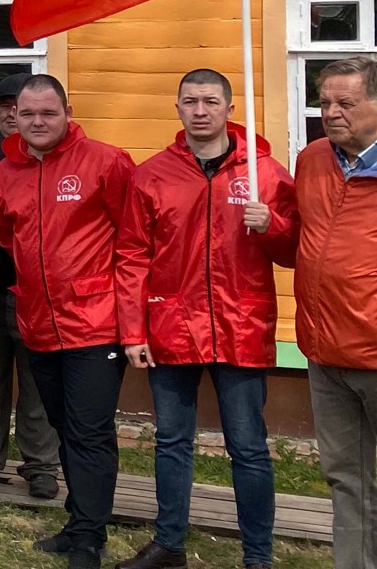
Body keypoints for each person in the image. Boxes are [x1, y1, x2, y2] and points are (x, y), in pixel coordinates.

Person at [116, 70, 297, 569]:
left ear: (230, 108)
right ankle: (169, 543)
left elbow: (294, 252)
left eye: (211, 101)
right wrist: (132, 330)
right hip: (171, 326)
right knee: (172, 442)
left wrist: (273, 224)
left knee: (249, 447)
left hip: (242, 326)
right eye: (190, 101)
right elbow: (131, 255)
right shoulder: (152, 175)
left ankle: (258, 555)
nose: (201, 110)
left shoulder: (265, 173)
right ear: (177, 108)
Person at [0, 75, 138, 569]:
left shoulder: (106, 162)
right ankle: (79, 519)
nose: (37, 122)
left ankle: (89, 538)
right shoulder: (5, 173)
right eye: (27, 114)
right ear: (15, 117)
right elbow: (9, 239)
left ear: (68, 112)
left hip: (95, 323)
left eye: (48, 113)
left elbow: (134, 242)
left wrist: (131, 320)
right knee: (61, 426)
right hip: (37, 322)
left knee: (89, 431)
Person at [290, 56, 377, 569]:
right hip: (324, 352)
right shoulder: (314, 158)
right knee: (346, 476)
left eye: (346, 103)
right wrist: (269, 225)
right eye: (325, 102)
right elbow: (305, 244)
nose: (331, 112)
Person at [0, 72, 63, 500]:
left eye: (24, 109)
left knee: (36, 385)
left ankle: (40, 465)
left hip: (37, 294)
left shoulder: (54, 158)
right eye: (7, 109)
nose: (15, 116)